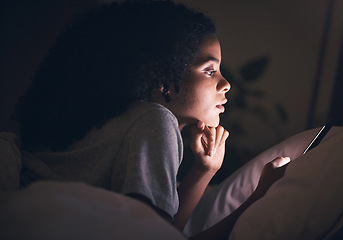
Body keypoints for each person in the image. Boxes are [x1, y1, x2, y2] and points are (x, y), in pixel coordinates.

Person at [15, 1, 290, 239]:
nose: (226, 84)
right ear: (163, 78)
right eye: (210, 70)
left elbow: (159, 228)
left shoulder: (132, 120)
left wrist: (204, 170)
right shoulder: (154, 121)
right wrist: (259, 197)